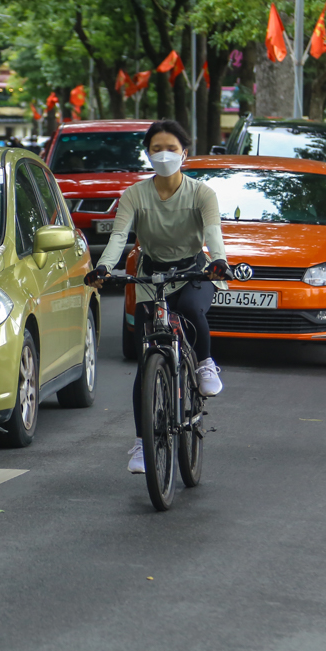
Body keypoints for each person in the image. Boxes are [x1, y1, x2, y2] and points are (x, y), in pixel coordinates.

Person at [84, 120, 229, 474]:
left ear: (184, 153)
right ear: (148, 154)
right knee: (146, 355)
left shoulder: (201, 193)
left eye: (171, 148)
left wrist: (220, 261)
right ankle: (140, 444)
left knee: (192, 310)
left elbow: (213, 232)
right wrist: (103, 267)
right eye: (156, 148)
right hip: (151, 274)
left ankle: (205, 363)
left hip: (194, 269)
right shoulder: (134, 195)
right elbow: (119, 237)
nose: (164, 155)